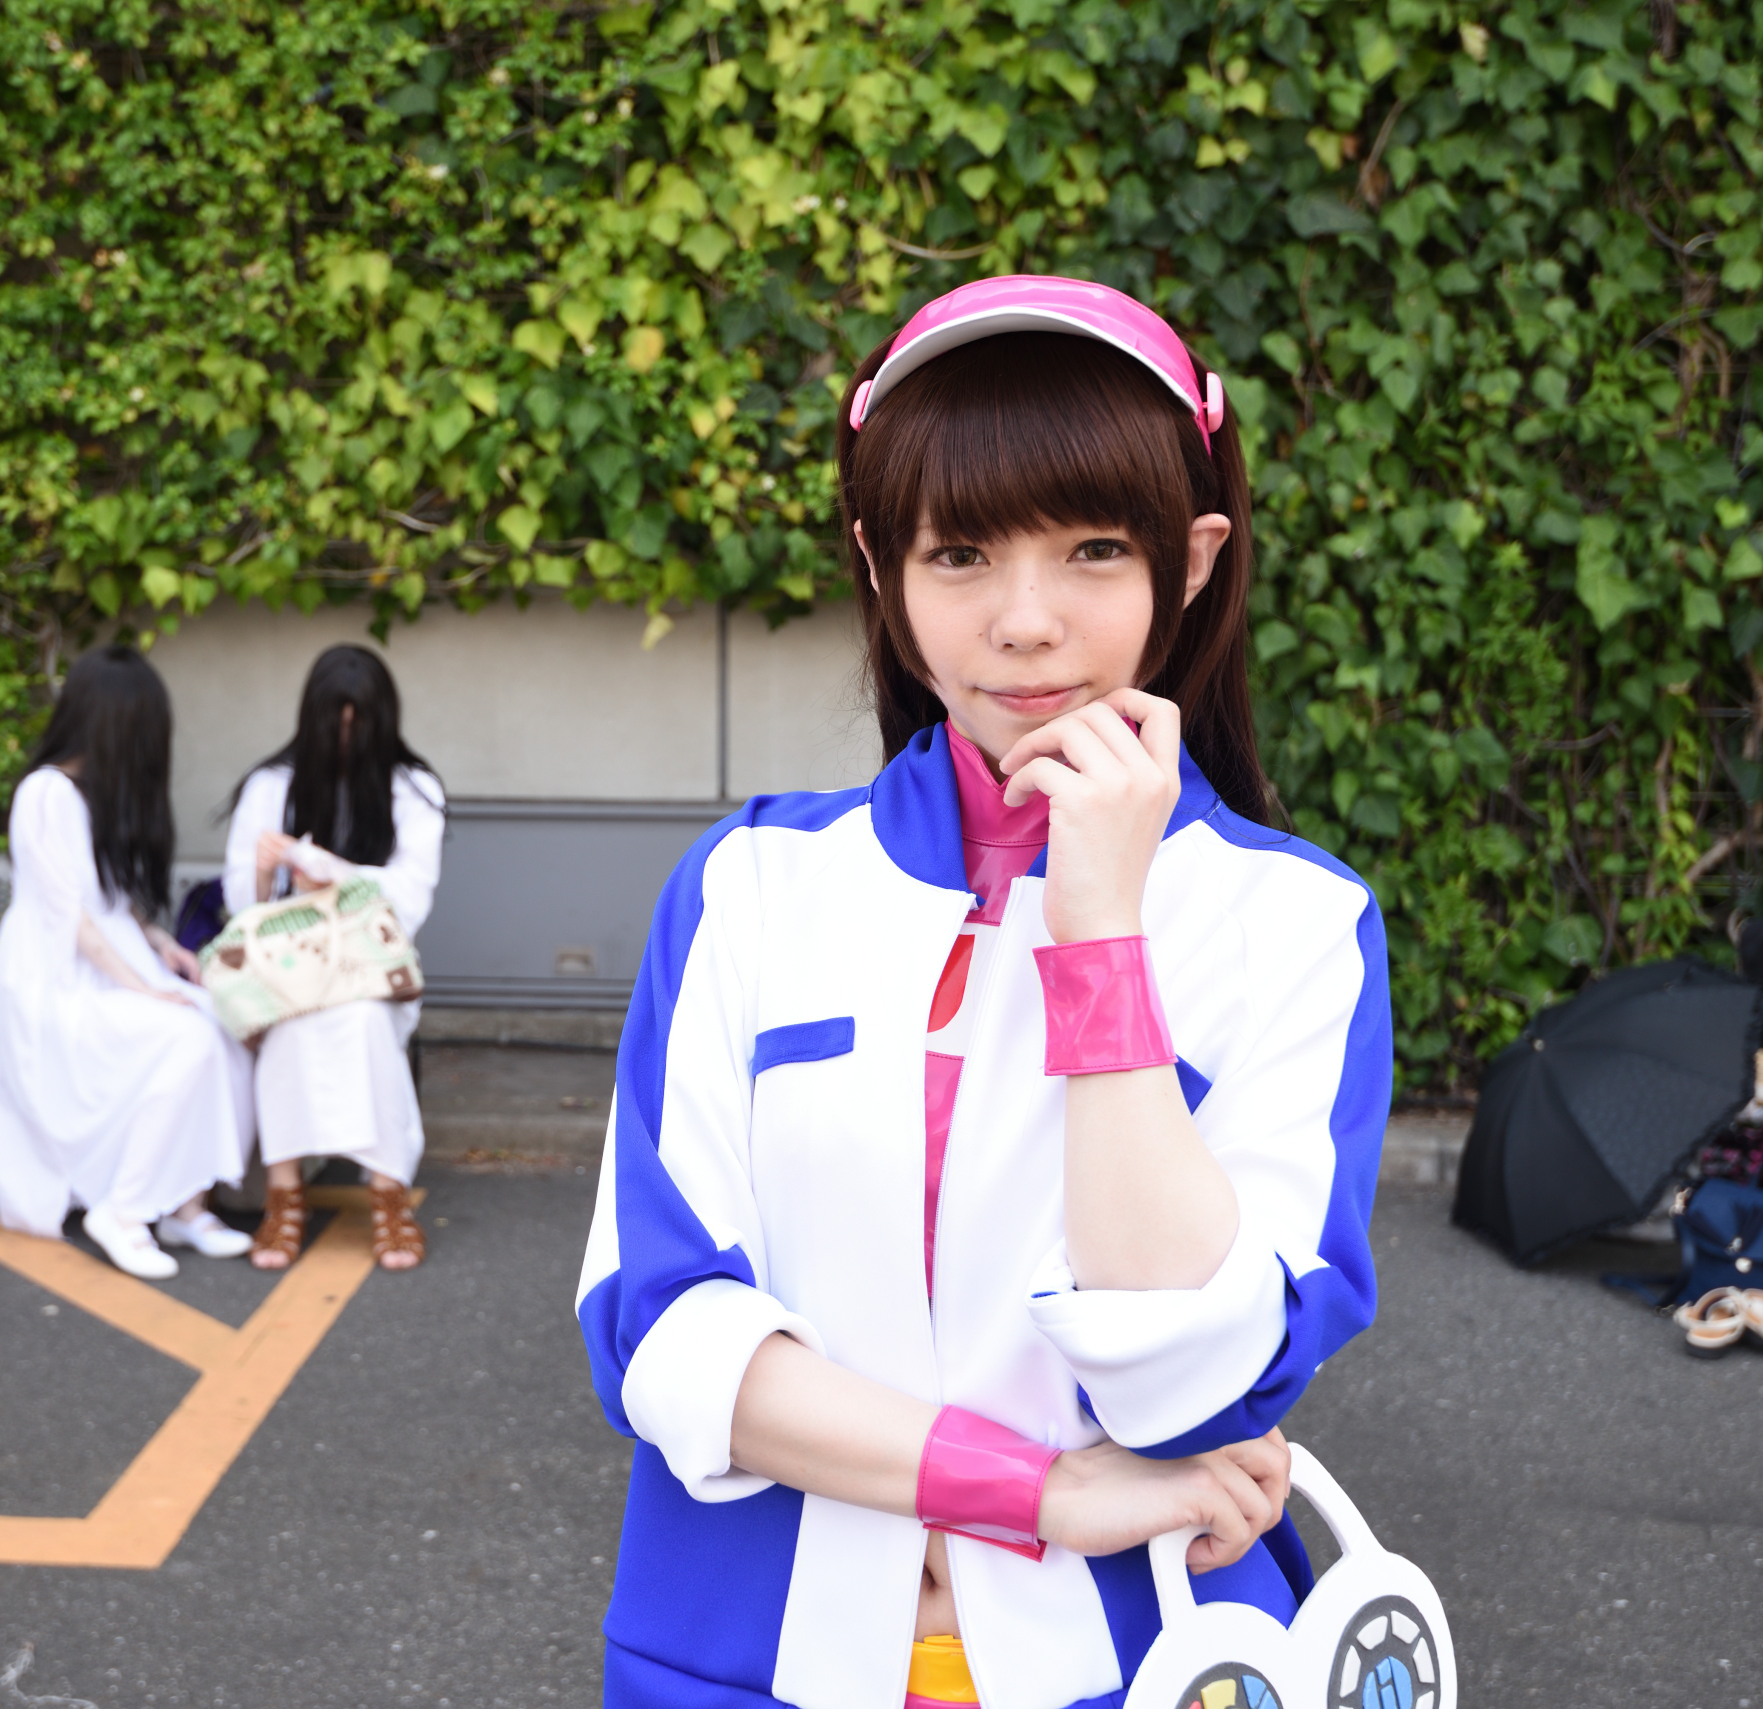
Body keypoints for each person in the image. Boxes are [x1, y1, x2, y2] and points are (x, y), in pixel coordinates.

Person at [574, 277, 1389, 1709]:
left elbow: (1190, 1383)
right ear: (880, 564)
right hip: (744, 1659)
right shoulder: (752, 885)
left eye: (1092, 549)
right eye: (958, 553)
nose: (1024, 621)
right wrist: (1037, 1487)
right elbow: (664, 1332)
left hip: (1143, 1661)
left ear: (1193, 560)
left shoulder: (1295, 924)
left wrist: (1100, 935)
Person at [0, 645, 254, 1280]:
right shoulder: (45, 793)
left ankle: (185, 1206)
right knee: (186, 1037)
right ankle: (123, 1211)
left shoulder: (89, 795)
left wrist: (159, 944)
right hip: (54, 984)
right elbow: (68, 919)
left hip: (105, 969)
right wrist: (143, 989)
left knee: (225, 1028)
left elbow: (107, 903)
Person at [225, 644, 445, 1272]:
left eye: (359, 726)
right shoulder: (271, 786)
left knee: (367, 1024)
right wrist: (265, 873)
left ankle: (388, 1194)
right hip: (289, 973)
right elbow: (242, 908)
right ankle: (284, 1193)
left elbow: (411, 900)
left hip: (371, 973)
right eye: (335, 726)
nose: (346, 740)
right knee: (290, 1025)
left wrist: (328, 870)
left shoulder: (413, 789)